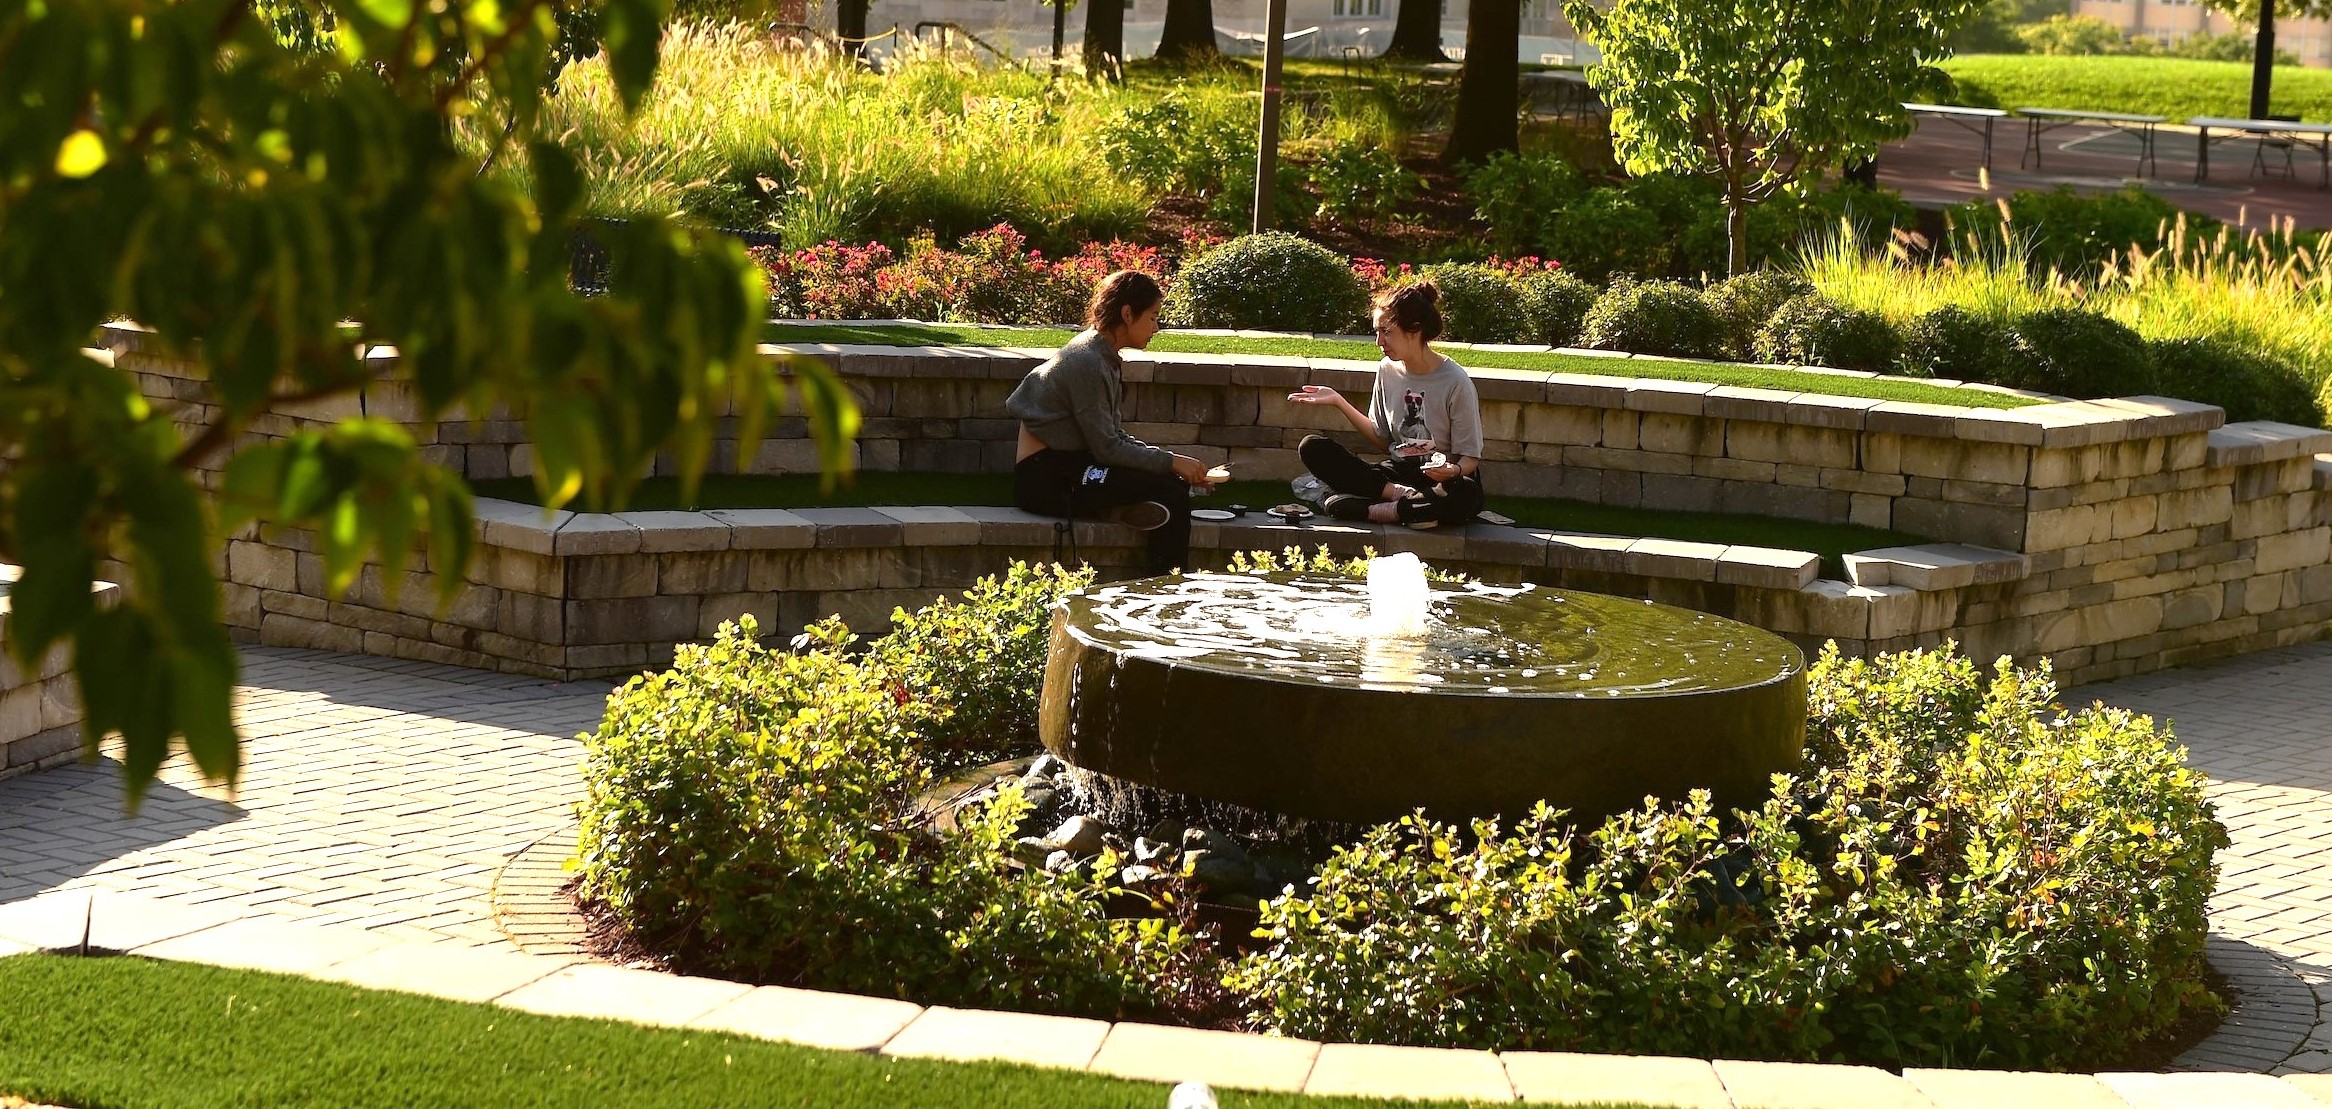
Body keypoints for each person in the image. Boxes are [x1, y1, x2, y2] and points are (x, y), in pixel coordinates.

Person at [1008, 270, 1214, 574]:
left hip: (1075, 465)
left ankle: (1120, 513)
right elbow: (1107, 448)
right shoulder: (1087, 362)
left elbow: (1114, 437)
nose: (1156, 327)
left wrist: (1174, 467)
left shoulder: (1103, 356)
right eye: (1154, 317)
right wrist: (1171, 461)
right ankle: (1166, 591)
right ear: (1128, 313)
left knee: (1173, 485)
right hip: (1045, 478)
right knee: (1171, 491)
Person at [1287, 280, 1485, 530]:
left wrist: (1453, 471)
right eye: (1376, 332)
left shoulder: (1456, 381)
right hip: (1397, 476)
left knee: (1464, 493)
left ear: (1414, 329)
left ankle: (1371, 509)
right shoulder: (1386, 370)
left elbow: (1470, 460)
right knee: (1312, 447)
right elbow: (1384, 440)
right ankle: (1407, 504)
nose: (1379, 342)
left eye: (1386, 332)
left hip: (1443, 480)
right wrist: (1338, 401)